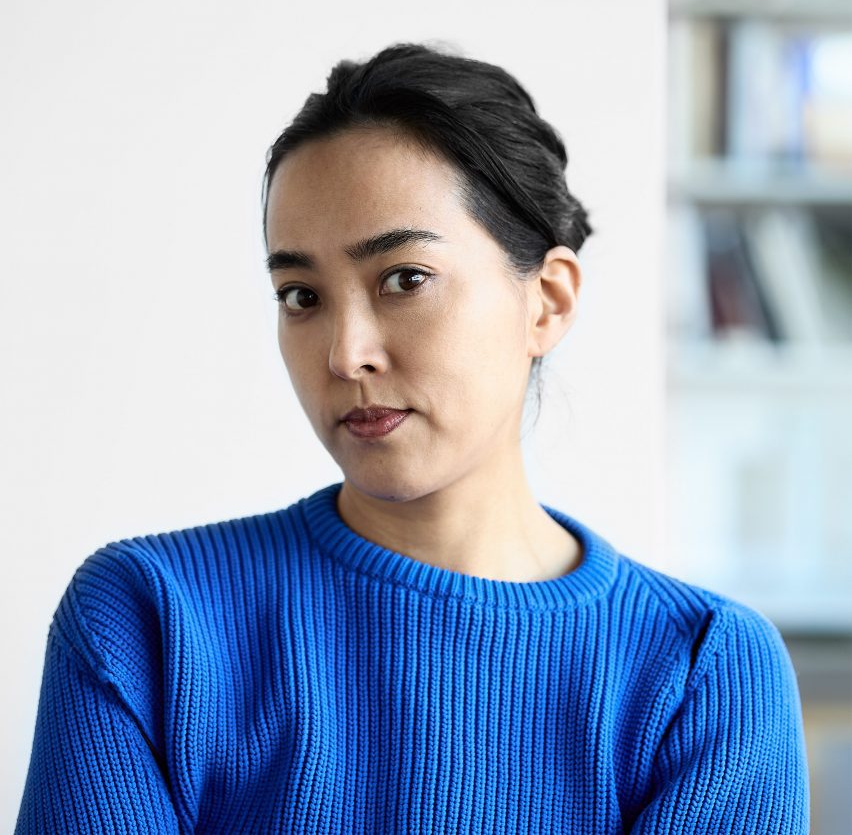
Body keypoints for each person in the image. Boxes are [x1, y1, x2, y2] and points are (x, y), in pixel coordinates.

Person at [16, 41, 809, 834]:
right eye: (301, 296)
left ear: (547, 301)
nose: (345, 353)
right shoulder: (148, 621)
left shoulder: (702, 673)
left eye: (404, 279)